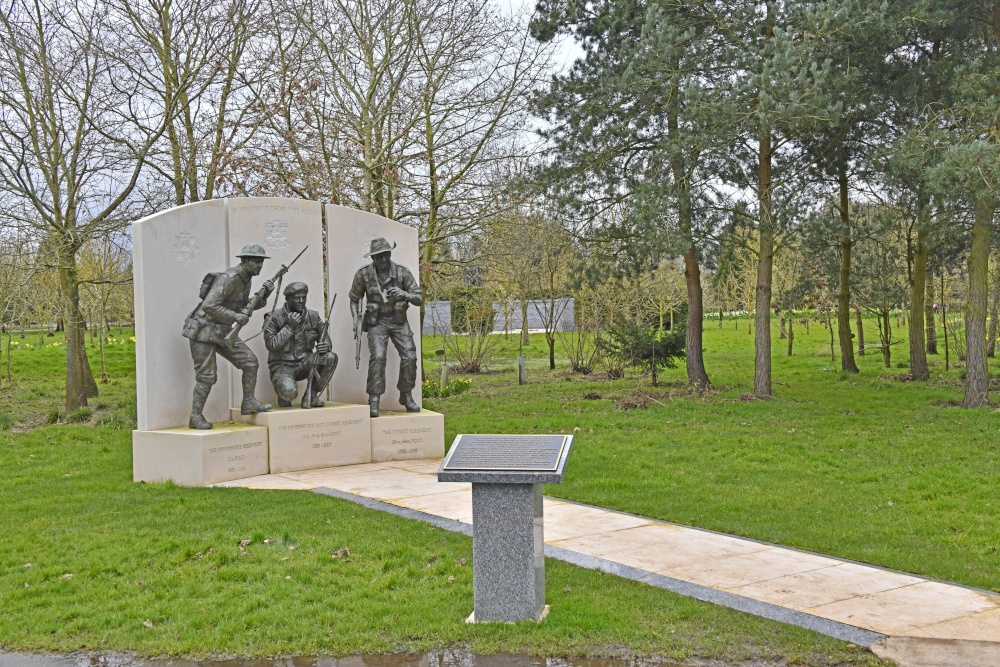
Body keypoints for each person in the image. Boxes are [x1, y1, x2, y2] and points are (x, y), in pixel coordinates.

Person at [181, 244, 274, 429]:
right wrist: (234, 317)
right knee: (207, 376)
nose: (259, 266)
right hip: (203, 330)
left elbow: (244, 305)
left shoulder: (246, 279)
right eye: (256, 261)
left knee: (250, 362)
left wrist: (263, 297)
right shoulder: (229, 278)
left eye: (261, 262)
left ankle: (248, 402)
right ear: (245, 261)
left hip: (222, 330)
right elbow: (209, 305)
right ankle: (195, 416)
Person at [349, 237, 422, 417]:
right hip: (377, 321)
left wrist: (404, 294)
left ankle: (406, 394)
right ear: (373, 258)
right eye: (379, 256)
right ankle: (374, 399)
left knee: (410, 356)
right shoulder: (363, 274)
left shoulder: (402, 273)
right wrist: (355, 321)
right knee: (379, 356)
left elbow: (418, 298)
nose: (383, 259)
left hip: (398, 320)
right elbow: (354, 299)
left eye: (386, 255)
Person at [264, 282, 338, 408]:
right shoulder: (273, 317)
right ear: (287, 299)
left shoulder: (313, 316)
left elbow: (324, 336)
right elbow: (271, 345)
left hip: (306, 362)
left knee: (330, 357)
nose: (301, 301)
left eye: (304, 297)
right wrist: (289, 327)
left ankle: (312, 395)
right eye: (297, 298)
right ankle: (283, 395)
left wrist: (325, 345)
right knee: (289, 393)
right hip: (282, 365)